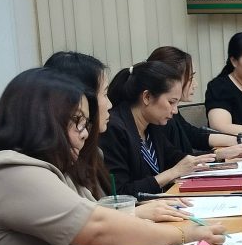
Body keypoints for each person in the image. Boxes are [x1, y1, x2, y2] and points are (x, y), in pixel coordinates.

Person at [0, 69, 224, 245]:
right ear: (40, 121)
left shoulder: (55, 168)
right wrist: (184, 236)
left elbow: (93, 213)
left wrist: (137, 215)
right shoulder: (10, 171)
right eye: (77, 122)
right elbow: (97, 227)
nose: (84, 134)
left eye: (85, 123)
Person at [44, 51, 192, 224]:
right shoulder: (47, 168)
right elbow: (90, 222)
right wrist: (136, 212)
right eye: (104, 94)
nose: (110, 104)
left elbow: (104, 207)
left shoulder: (94, 152)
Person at [101, 61, 217, 196]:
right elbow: (120, 194)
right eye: (171, 102)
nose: (175, 111)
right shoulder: (114, 129)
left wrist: (219, 155)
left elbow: (176, 158)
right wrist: (173, 172)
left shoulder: (152, 124)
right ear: (147, 97)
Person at [146, 46, 242, 159]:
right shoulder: (159, 117)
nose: (195, 84)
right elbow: (176, 161)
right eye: (190, 78)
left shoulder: (171, 112)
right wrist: (218, 155)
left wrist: (241, 139)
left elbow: (194, 135)